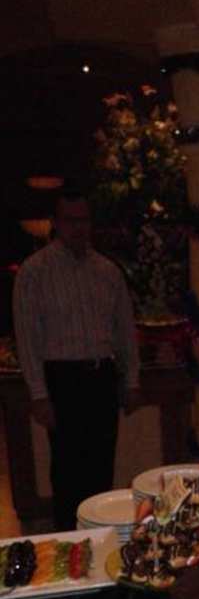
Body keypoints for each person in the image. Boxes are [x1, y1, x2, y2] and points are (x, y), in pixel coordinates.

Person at [13, 189, 141, 531]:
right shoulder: (34, 272)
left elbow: (124, 331)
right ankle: (70, 541)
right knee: (67, 471)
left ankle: (102, 539)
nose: (77, 228)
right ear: (55, 223)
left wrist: (131, 380)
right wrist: (39, 394)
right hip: (62, 380)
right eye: (70, 220)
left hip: (101, 377)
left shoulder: (108, 271)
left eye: (83, 220)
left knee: (102, 465)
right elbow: (27, 338)